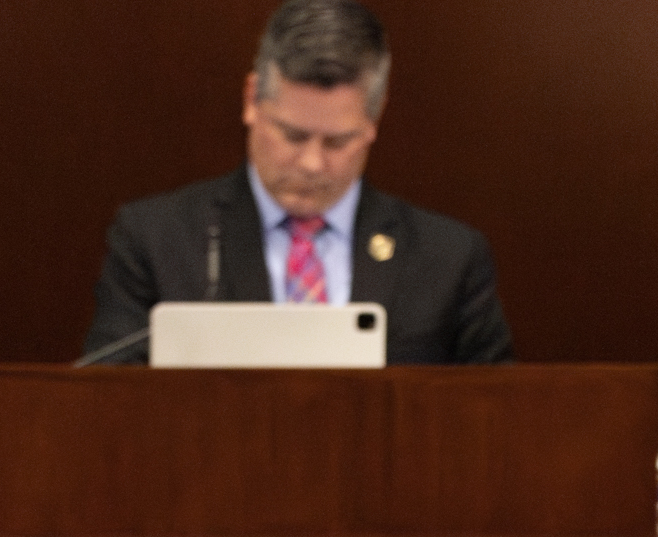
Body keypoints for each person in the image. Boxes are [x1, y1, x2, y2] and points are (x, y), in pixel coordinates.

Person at [81, 0, 513, 366]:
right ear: (252, 100)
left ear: (374, 121)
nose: (311, 163)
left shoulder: (448, 260)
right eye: (292, 135)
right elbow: (109, 400)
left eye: (338, 141)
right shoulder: (159, 241)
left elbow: (494, 418)